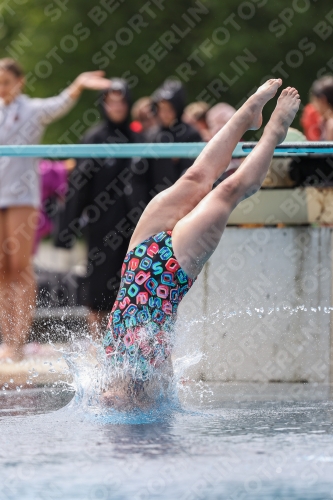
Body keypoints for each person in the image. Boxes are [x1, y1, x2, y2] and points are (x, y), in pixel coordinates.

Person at [102, 79, 300, 407]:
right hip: (172, 270)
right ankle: (275, 131)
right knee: (228, 190)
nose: (108, 397)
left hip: (137, 254)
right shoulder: (150, 385)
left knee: (196, 177)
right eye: (114, 398)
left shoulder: (108, 369)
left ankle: (249, 112)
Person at [0, 58, 111, 361]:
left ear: (19, 82)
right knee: (1, 270)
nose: (1, 88)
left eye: (6, 82)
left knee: (20, 268)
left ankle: (18, 342)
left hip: (21, 197)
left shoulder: (32, 110)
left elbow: (59, 104)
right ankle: (7, 339)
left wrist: (77, 85)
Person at [57, 78, 149, 340]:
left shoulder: (140, 138)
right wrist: (67, 231)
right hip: (102, 226)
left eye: (121, 101)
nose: (117, 106)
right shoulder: (94, 138)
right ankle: (98, 344)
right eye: (111, 101)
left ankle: (129, 342)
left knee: (134, 283)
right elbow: (78, 187)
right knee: (98, 288)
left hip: (136, 228)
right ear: (104, 104)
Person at [146, 79, 202, 199]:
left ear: (178, 109)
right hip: (153, 204)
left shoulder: (191, 135)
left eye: (170, 109)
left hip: (184, 202)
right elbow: (139, 177)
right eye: (162, 109)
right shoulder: (150, 135)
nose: (165, 114)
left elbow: (195, 175)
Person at [309, 75, 333, 140]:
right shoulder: (325, 122)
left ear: (322, 100)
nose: (313, 106)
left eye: (314, 102)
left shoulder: (331, 126)